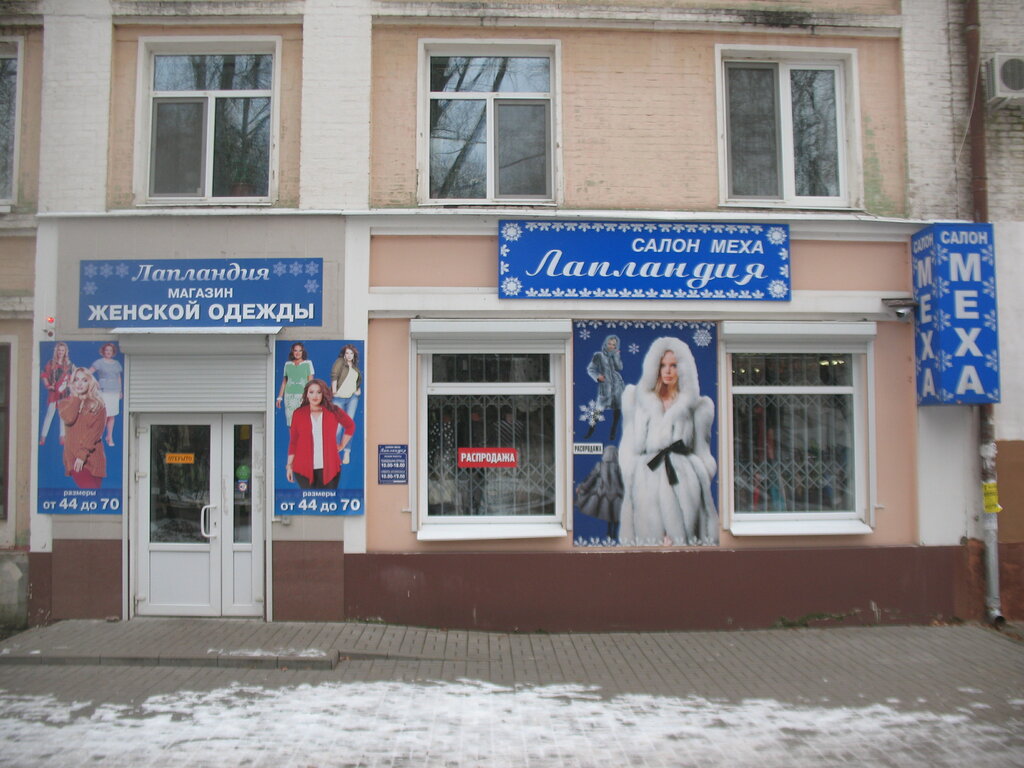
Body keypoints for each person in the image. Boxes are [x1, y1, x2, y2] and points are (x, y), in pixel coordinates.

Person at [617, 337, 718, 546]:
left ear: (684, 369)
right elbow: (628, 446)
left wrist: (697, 474)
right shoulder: (638, 402)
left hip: (684, 481)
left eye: (674, 365)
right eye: (663, 365)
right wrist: (634, 473)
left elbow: (703, 451)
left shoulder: (695, 407)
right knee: (648, 541)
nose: (668, 371)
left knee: (682, 544)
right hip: (647, 479)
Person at [286, 379, 355, 490]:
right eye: (311, 392)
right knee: (309, 500)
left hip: (331, 469)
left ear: (323, 394)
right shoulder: (298, 414)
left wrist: (342, 445)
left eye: (319, 392)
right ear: (306, 394)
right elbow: (293, 442)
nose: (315, 396)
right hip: (303, 470)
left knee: (328, 500)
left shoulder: (333, 411)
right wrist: (289, 466)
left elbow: (350, 425)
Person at [58, 367, 107, 489]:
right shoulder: (64, 404)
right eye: (76, 380)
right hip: (75, 459)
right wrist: (76, 398)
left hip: (94, 458)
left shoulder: (98, 405)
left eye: (84, 380)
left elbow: (95, 433)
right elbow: (69, 418)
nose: (79, 383)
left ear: (90, 383)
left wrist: (83, 454)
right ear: (72, 383)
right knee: (88, 491)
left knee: (94, 495)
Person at [584, 334, 625, 442]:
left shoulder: (615, 355)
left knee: (618, 408)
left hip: (617, 386)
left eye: (614, 345)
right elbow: (590, 369)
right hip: (605, 386)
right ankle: (591, 430)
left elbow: (619, 368)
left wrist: (616, 356)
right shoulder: (598, 355)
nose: (611, 346)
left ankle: (613, 431)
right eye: (609, 344)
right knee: (598, 409)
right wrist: (598, 377)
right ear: (605, 344)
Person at [88, 343, 122, 447]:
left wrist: (120, 391)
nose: (108, 352)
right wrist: (96, 382)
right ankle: (98, 436)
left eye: (110, 350)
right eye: (107, 350)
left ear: (113, 352)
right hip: (104, 391)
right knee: (103, 414)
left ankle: (109, 436)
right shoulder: (99, 362)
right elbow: (88, 373)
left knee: (112, 415)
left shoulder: (116, 364)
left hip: (114, 391)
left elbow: (118, 377)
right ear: (103, 351)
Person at [39, 342, 73, 446]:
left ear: (65, 352)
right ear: (56, 351)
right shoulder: (51, 363)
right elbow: (44, 375)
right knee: (50, 414)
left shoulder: (69, 364)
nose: (60, 352)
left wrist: (68, 386)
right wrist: (48, 385)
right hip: (54, 392)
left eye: (62, 350)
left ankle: (62, 436)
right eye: (59, 350)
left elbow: (72, 377)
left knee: (63, 414)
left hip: (64, 392)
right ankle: (43, 437)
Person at [276, 342, 314, 427]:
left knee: (303, 422)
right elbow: (284, 382)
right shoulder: (287, 364)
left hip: (303, 396)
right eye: (295, 350)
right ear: (292, 352)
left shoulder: (308, 363)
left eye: (300, 351)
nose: (297, 353)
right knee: (291, 423)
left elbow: (310, 382)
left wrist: (309, 397)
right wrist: (279, 397)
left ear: (303, 352)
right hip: (289, 397)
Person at [330, 344, 362, 421]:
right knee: (337, 424)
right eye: (347, 353)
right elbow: (334, 376)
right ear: (344, 354)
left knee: (349, 423)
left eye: (351, 353)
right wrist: (334, 392)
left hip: (352, 398)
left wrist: (358, 391)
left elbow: (356, 381)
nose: (349, 355)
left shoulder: (355, 367)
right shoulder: (340, 362)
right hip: (339, 397)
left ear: (354, 355)